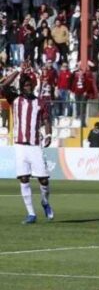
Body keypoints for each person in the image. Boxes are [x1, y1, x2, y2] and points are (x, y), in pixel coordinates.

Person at [1, 70, 54, 224]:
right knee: (24, 179)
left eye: (30, 85)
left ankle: (45, 201)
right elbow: (3, 86)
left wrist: (49, 135)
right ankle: (31, 214)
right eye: (25, 85)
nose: (28, 87)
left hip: (34, 146)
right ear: (21, 87)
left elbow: (46, 120)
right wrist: (18, 72)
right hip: (19, 146)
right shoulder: (15, 100)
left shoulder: (39, 102)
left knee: (43, 180)